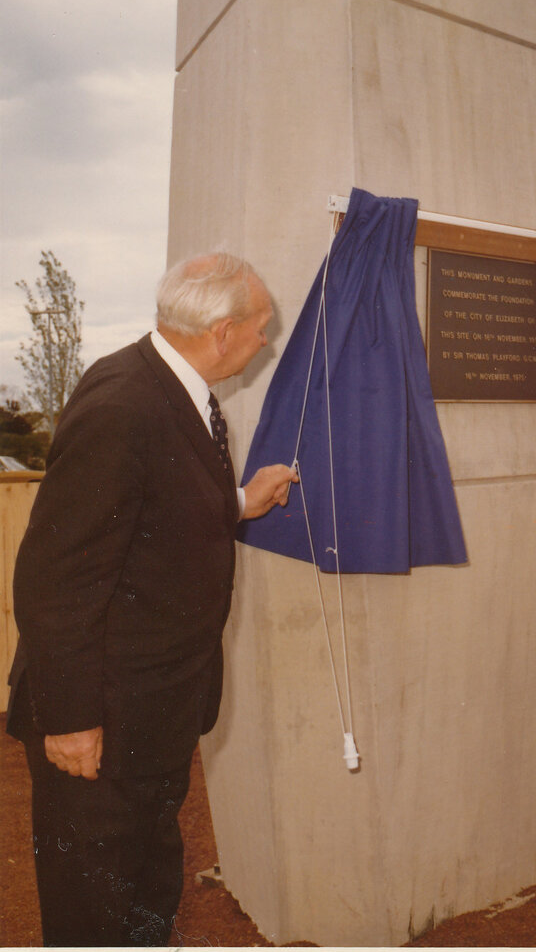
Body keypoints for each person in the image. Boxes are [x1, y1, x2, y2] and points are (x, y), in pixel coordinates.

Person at [6, 253, 299, 946]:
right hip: (98, 727)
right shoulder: (122, 402)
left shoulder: (178, 393)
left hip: (149, 719)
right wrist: (73, 718)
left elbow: (144, 521)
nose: (266, 341)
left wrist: (236, 502)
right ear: (222, 331)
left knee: (144, 898)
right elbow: (55, 578)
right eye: (262, 328)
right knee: (94, 917)